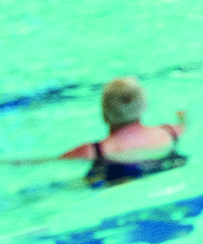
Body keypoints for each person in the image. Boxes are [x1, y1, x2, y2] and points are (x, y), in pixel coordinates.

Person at [55, 78, 186, 187]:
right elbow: (183, 127)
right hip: (164, 172)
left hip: (113, 179)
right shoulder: (169, 132)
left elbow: (50, 162)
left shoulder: (95, 150)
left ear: (104, 114)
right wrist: (181, 118)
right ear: (145, 107)